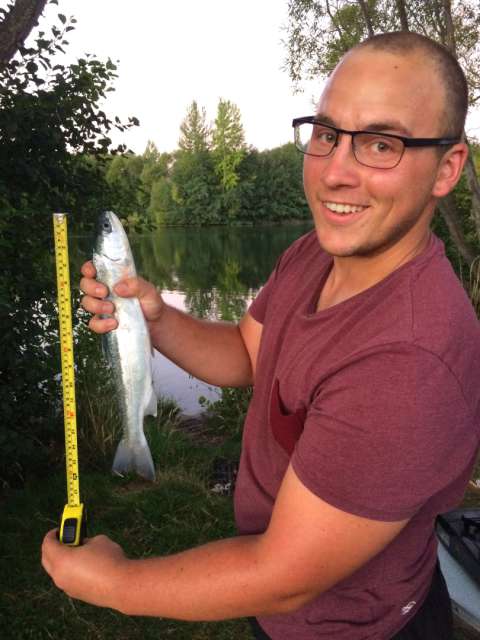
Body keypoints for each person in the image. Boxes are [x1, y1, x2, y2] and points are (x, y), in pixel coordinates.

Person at [42, 31, 480, 640]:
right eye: (327, 134)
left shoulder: (408, 364)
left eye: (382, 143)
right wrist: (157, 319)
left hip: (350, 628)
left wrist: (112, 583)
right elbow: (250, 353)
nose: (335, 172)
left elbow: (284, 574)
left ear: (447, 168)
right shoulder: (314, 254)